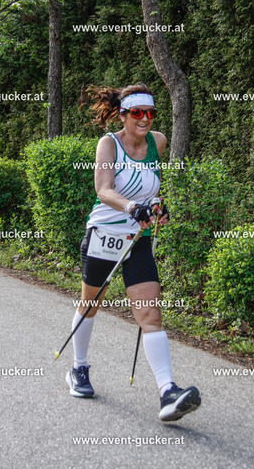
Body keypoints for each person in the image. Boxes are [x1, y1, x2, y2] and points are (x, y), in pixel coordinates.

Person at [66, 83, 201, 421]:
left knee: (150, 314)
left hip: (137, 238)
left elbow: (151, 186)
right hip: (105, 234)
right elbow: (104, 190)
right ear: (124, 114)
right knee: (90, 304)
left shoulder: (158, 142)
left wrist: (157, 207)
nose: (145, 119)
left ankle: (167, 391)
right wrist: (132, 207)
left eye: (150, 113)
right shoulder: (109, 144)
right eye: (137, 113)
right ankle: (78, 368)